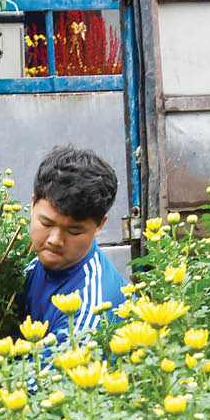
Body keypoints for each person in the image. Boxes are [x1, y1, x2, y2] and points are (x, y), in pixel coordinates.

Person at [20, 146, 129, 343]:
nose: (55, 240)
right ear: (33, 205)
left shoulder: (91, 309)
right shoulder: (30, 268)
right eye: (46, 223)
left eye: (74, 231)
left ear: (99, 226)